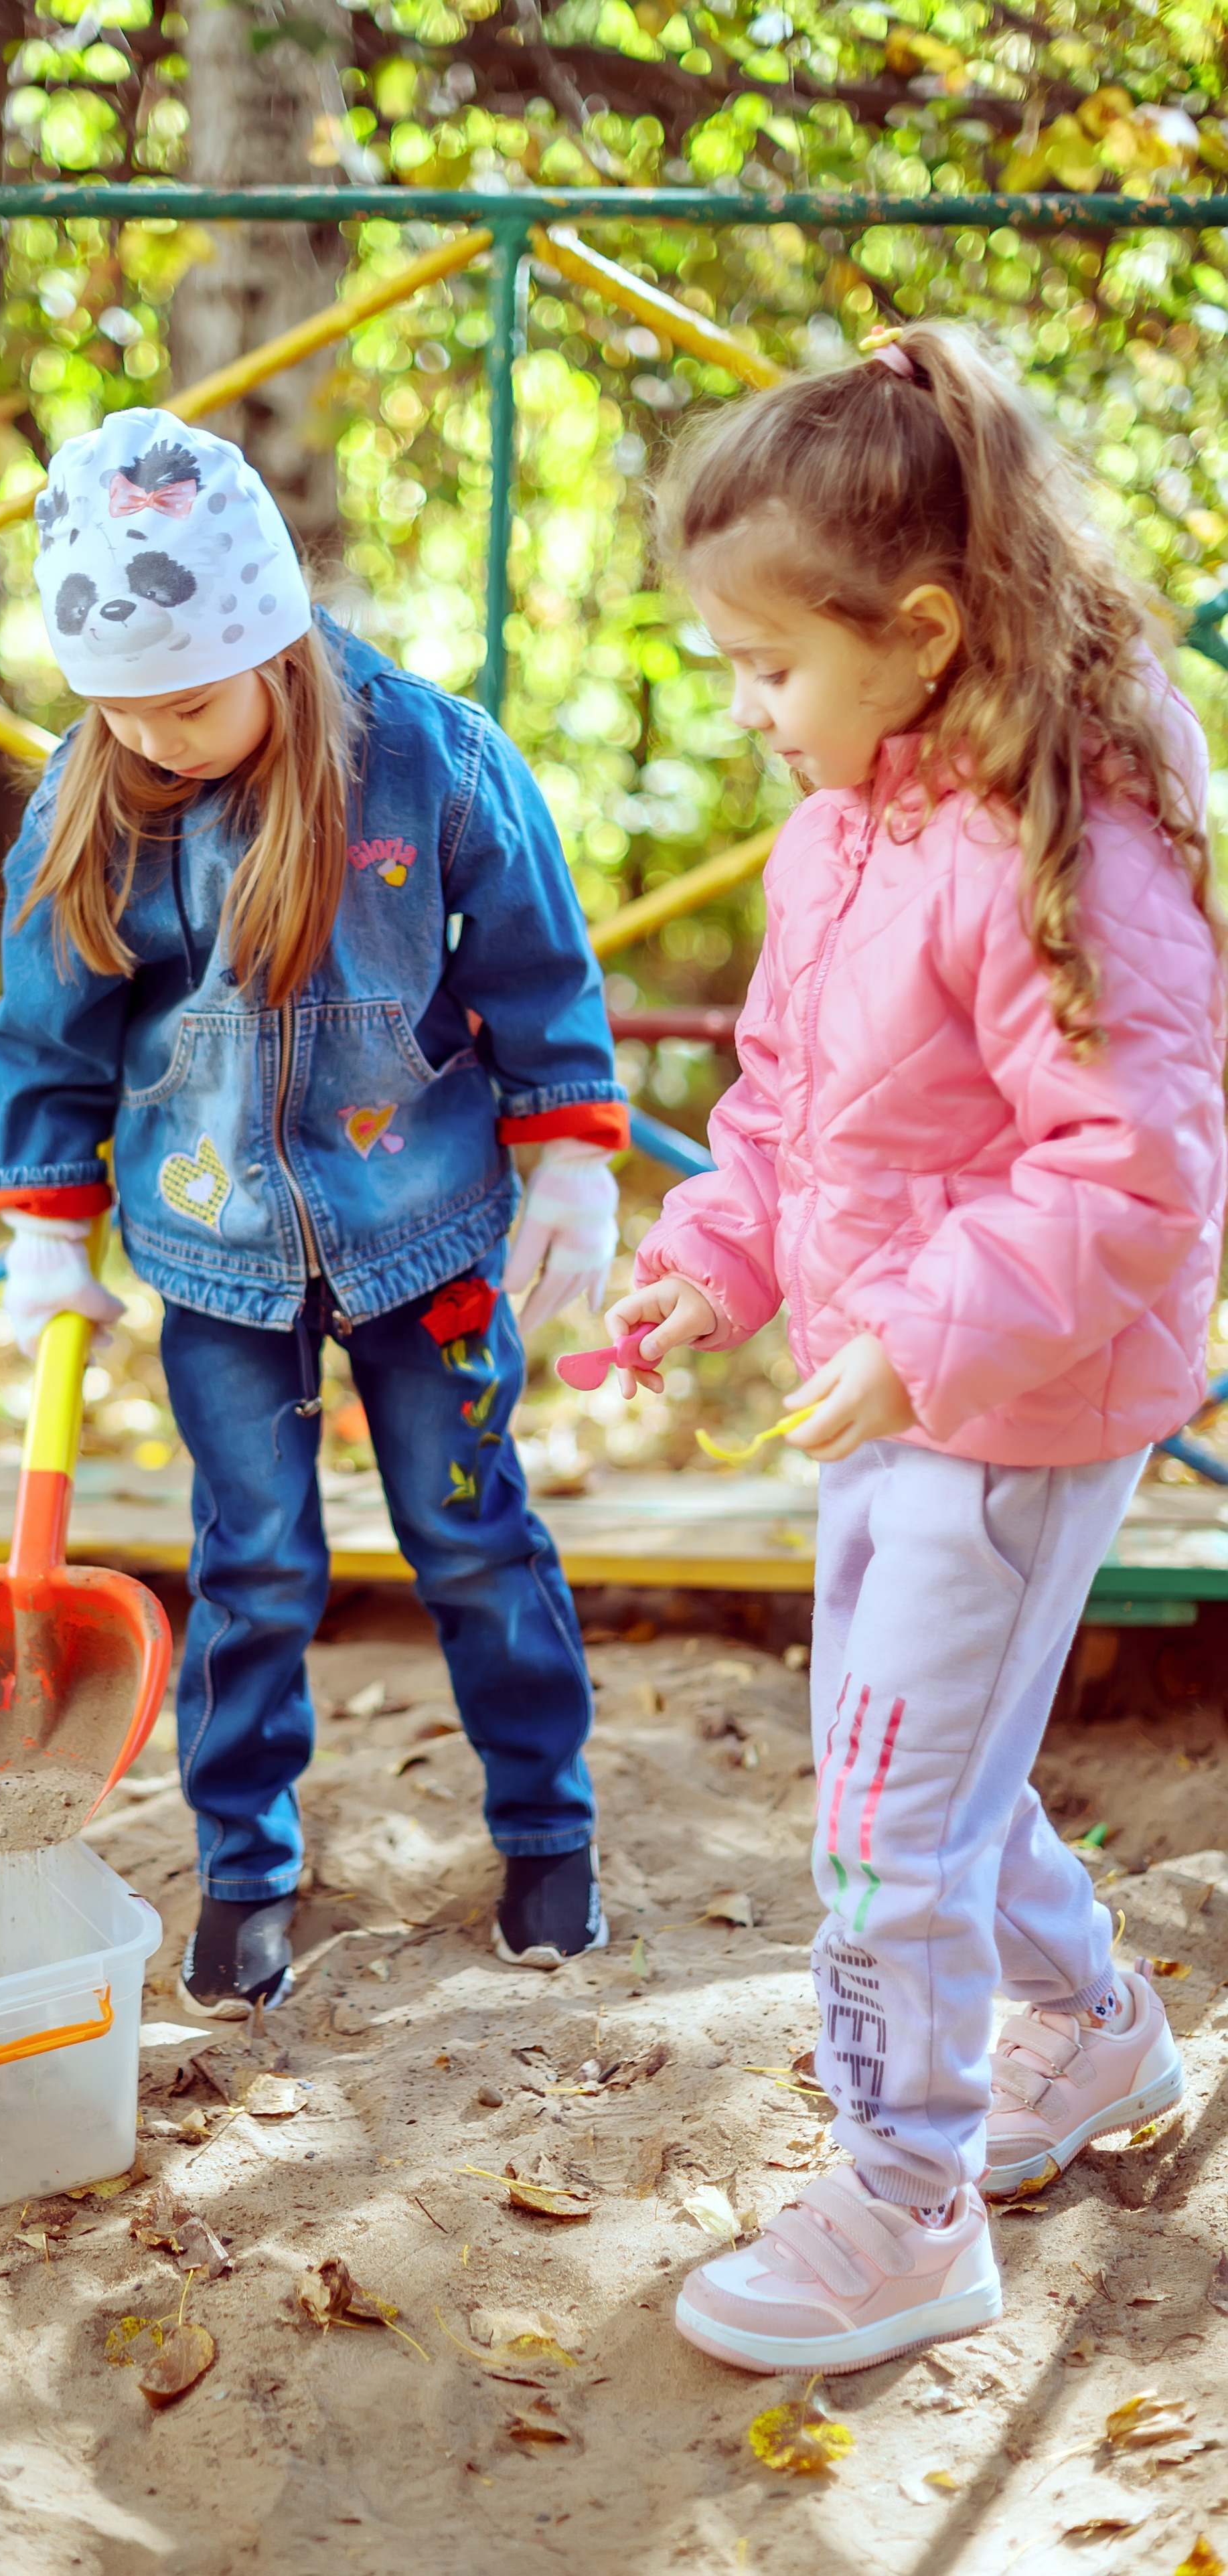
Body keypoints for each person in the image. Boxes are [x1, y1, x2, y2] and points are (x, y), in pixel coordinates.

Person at [607, 325, 1226, 2374]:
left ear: (926, 631)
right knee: (917, 1775)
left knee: (889, 1822)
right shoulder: (843, 833)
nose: (745, 705)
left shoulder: (1069, 846)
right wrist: (714, 1261)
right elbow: (787, 1104)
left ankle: (906, 2206)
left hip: (1015, 1412)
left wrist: (923, 1338)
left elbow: (1138, 1167)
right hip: (895, 1392)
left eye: (768, 665)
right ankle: (1095, 2031)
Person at [0, 408, 628, 2016]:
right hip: (214, 1260)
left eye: (190, 702)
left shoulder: (430, 760)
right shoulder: (94, 794)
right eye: (121, 709)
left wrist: (570, 1157)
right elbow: (48, 1031)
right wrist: (46, 1233)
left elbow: (536, 970)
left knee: (472, 1536)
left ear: (273, 639)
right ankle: (245, 1866)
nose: (156, 738)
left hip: (430, 1238)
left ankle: (547, 1834)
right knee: (252, 1565)